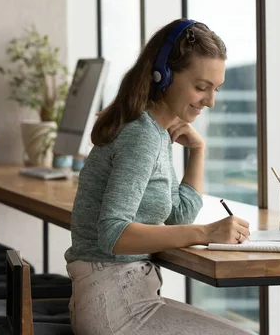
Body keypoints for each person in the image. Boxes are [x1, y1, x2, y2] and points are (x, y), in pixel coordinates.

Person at [65, 18, 254, 335]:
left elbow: (177, 215)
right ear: (162, 74)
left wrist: (197, 150)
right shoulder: (142, 135)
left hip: (125, 297)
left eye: (216, 89)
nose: (210, 101)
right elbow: (115, 234)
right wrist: (205, 232)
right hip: (115, 306)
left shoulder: (156, 130)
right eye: (200, 87)